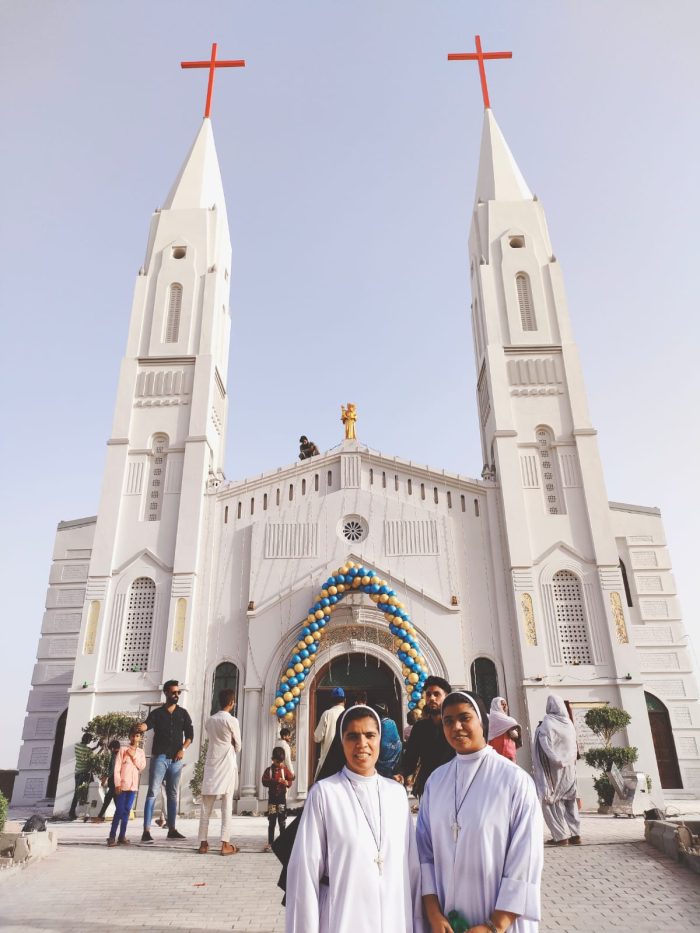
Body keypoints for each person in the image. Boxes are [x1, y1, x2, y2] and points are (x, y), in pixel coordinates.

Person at [285, 705, 425, 932]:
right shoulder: (324, 793)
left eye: (370, 735)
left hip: (395, 917)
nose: (362, 744)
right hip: (344, 916)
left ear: (380, 739)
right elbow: (304, 873)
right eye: (353, 736)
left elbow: (413, 869)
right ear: (342, 742)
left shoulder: (396, 794)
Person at [417, 691, 543, 933]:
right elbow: (424, 854)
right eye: (448, 721)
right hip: (446, 920)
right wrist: (433, 914)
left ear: (482, 722)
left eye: (465, 718)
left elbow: (525, 858)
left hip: (500, 920)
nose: (457, 727)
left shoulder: (514, 780)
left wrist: (495, 925)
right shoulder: (436, 781)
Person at [138, 679, 194, 843]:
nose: (176, 695)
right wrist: (141, 727)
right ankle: (146, 831)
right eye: (174, 692)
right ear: (166, 693)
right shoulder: (157, 713)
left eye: (178, 692)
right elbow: (147, 725)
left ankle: (172, 829)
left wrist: (182, 750)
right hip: (160, 758)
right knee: (152, 793)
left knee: (172, 794)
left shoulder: (183, 713)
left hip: (176, 760)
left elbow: (190, 735)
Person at [197, 688, 242, 856]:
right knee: (227, 805)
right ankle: (225, 844)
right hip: (227, 765)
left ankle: (203, 842)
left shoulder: (210, 720)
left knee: (205, 806)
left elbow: (213, 738)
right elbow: (238, 745)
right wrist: (230, 742)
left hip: (211, 764)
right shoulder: (232, 721)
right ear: (231, 703)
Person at [532, 694, 581, 847]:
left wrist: (555, 760)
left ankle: (560, 836)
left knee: (550, 800)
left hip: (553, 770)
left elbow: (545, 744)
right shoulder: (568, 723)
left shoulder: (548, 723)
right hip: (570, 769)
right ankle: (576, 834)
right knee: (569, 801)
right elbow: (574, 745)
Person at [398, 676, 454, 798]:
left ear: (446, 697)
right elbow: (410, 758)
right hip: (428, 787)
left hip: (453, 786)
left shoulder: (454, 726)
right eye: (428, 694)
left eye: (436, 694)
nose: (432, 698)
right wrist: (402, 774)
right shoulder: (420, 728)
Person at [107, 726, 146, 846]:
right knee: (119, 810)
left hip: (133, 787)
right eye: (133, 735)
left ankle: (122, 836)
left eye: (137, 736)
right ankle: (112, 836)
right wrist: (117, 784)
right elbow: (117, 768)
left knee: (127, 811)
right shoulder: (123, 750)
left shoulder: (141, 752)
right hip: (122, 786)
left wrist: (133, 755)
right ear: (130, 736)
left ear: (140, 738)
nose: (135, 738)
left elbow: (141, 766)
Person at [262, 747, 294, 852]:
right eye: (277, 761)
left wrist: (287, 783)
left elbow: (291, 779)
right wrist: (276, 780)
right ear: (272, 759)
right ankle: (270, 843)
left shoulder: (284, 770)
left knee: (282, 821)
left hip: (281, 801)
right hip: (272, 802)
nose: (279, 763)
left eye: (281, 761)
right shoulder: (269, 770)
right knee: (272, 822)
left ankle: (283, 843)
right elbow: (264, 781)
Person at [313, 687, 345, 778]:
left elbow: (317, 738)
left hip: (327, 762)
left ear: (331, 700)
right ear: (345, 700)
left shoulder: (327, 714)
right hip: (344, 762)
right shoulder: (348, 714)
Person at [93, 739, 121, 822]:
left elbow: (112, 768)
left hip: (113, 781)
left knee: (109, 799)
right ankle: (101, 816)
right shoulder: (121, 754)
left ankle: (100, 817)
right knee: (112, 799)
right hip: (118, 780)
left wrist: (105, 777)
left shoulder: (114, 755)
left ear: (112, 748)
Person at [68, 732, 94, 820]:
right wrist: (98, 747)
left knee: (77, 792)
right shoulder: (88, 750)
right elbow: (92, 757)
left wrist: (96, 747)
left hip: (77, 772)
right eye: (90, 740)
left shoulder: (76, 746)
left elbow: (86, 751)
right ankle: (85, 812)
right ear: (88, 740)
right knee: (91, 791)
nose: (90, 741)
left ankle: (72, 812)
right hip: (85, 773)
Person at [488, 697, 522, 763]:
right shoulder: (495, 716)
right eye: (502, 704)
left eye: (506, 704)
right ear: (496, 705)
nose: (505, 706)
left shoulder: (504, 718)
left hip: (507, 748)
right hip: (501, 748)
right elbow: (513, 726)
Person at [375, 703, 402, 778]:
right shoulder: (392, 723)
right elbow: (398, 744)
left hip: (379, 767)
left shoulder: (376, 725)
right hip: (393, 765)